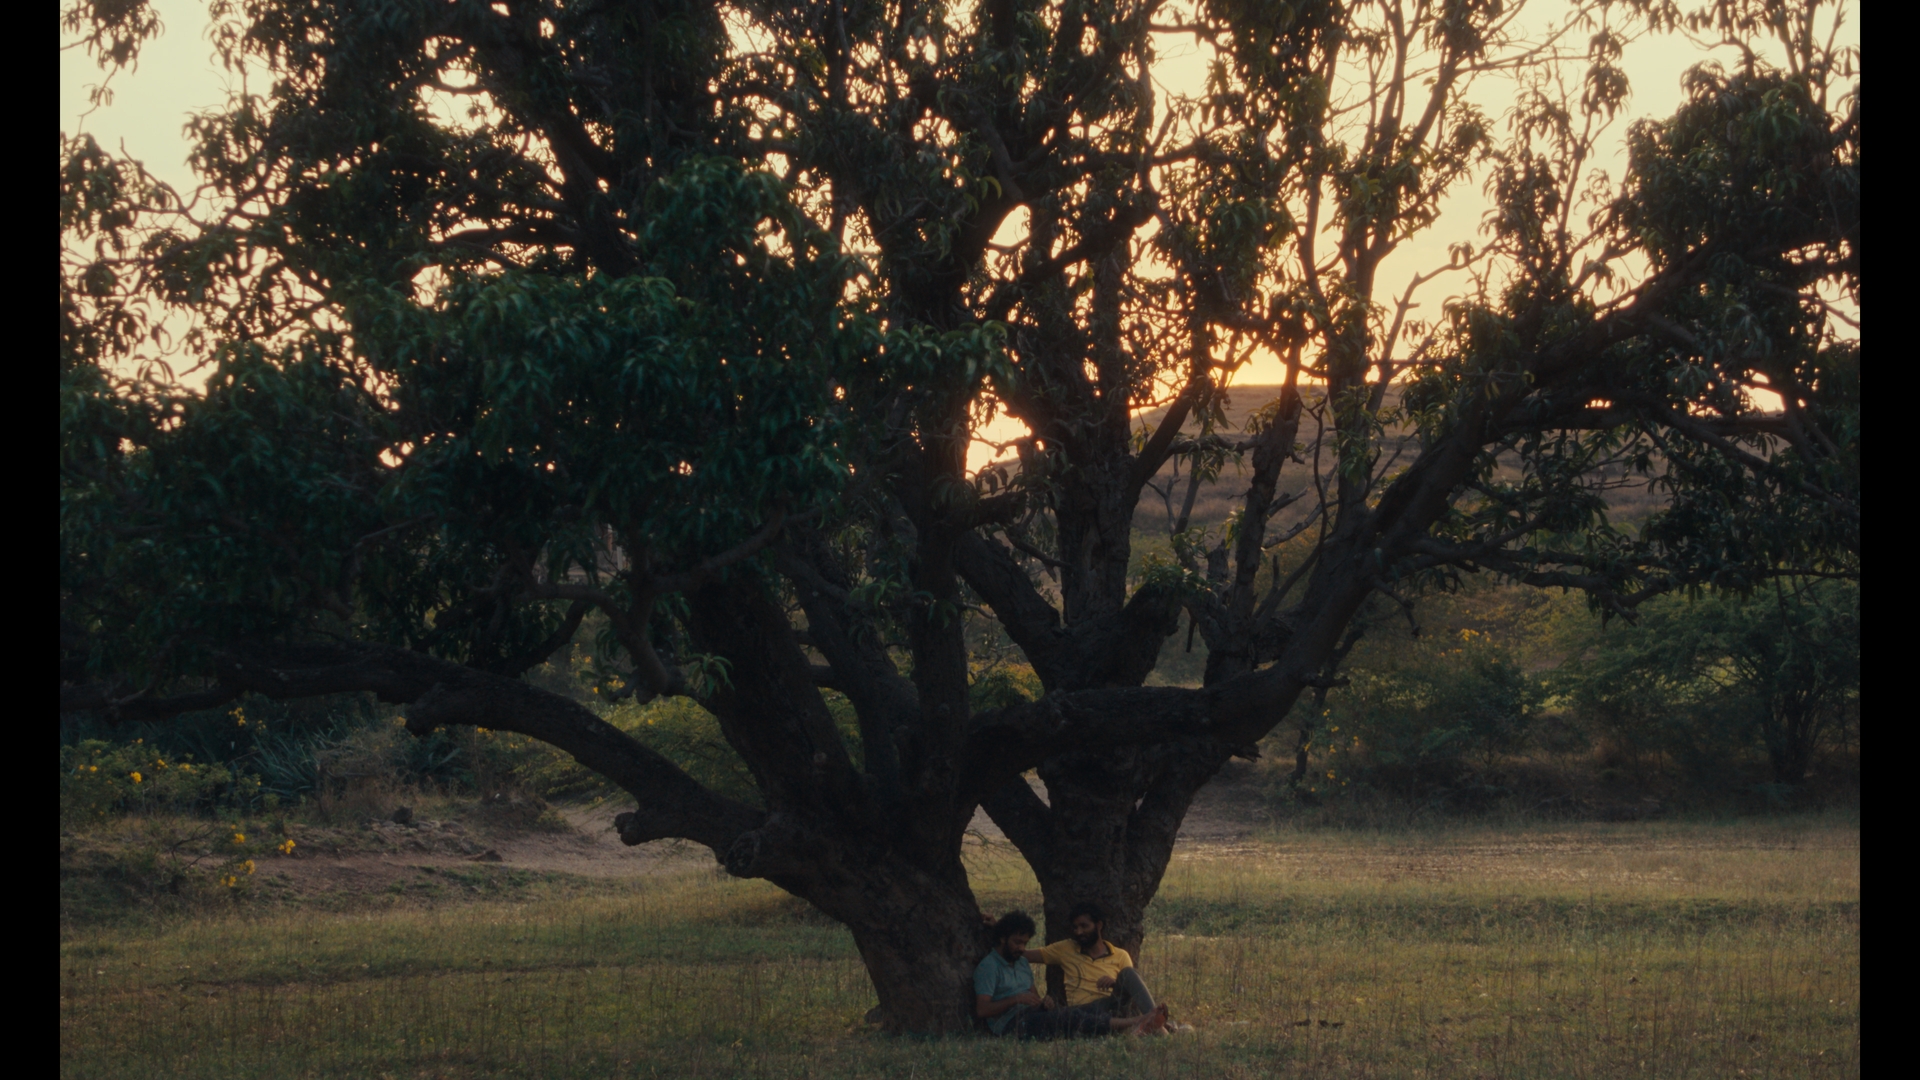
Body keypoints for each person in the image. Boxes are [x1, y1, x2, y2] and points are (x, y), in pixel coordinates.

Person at [974, 910, 1167, 1039]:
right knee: (1071, 1016)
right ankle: (1140, 1021)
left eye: (1024, 943)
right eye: (1018, 942)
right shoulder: (990, 966)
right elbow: (982, 1010)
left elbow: (1034, 998)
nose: (1022, 948)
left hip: (1100, 1005)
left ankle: (1157, 1024)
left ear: (1099, 925)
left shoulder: (1021, 962)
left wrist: (1044, 1003)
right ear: (1002, 938)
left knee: (1071, 1013)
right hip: (1013, 1024)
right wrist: (1016, 999)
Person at [1023, 901, 1161, 1022]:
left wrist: (1115, 983)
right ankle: (1157, 1023)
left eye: (1084, 926)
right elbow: (1024, 955)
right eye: (1075, 927)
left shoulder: (1120, 955)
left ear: (1099, 925)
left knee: (1129, 973)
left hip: (1112, 1008)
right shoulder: (1066, 948)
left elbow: (1130, 993)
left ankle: (1156, 1019)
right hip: (1082, 1012)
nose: (1079, 932)